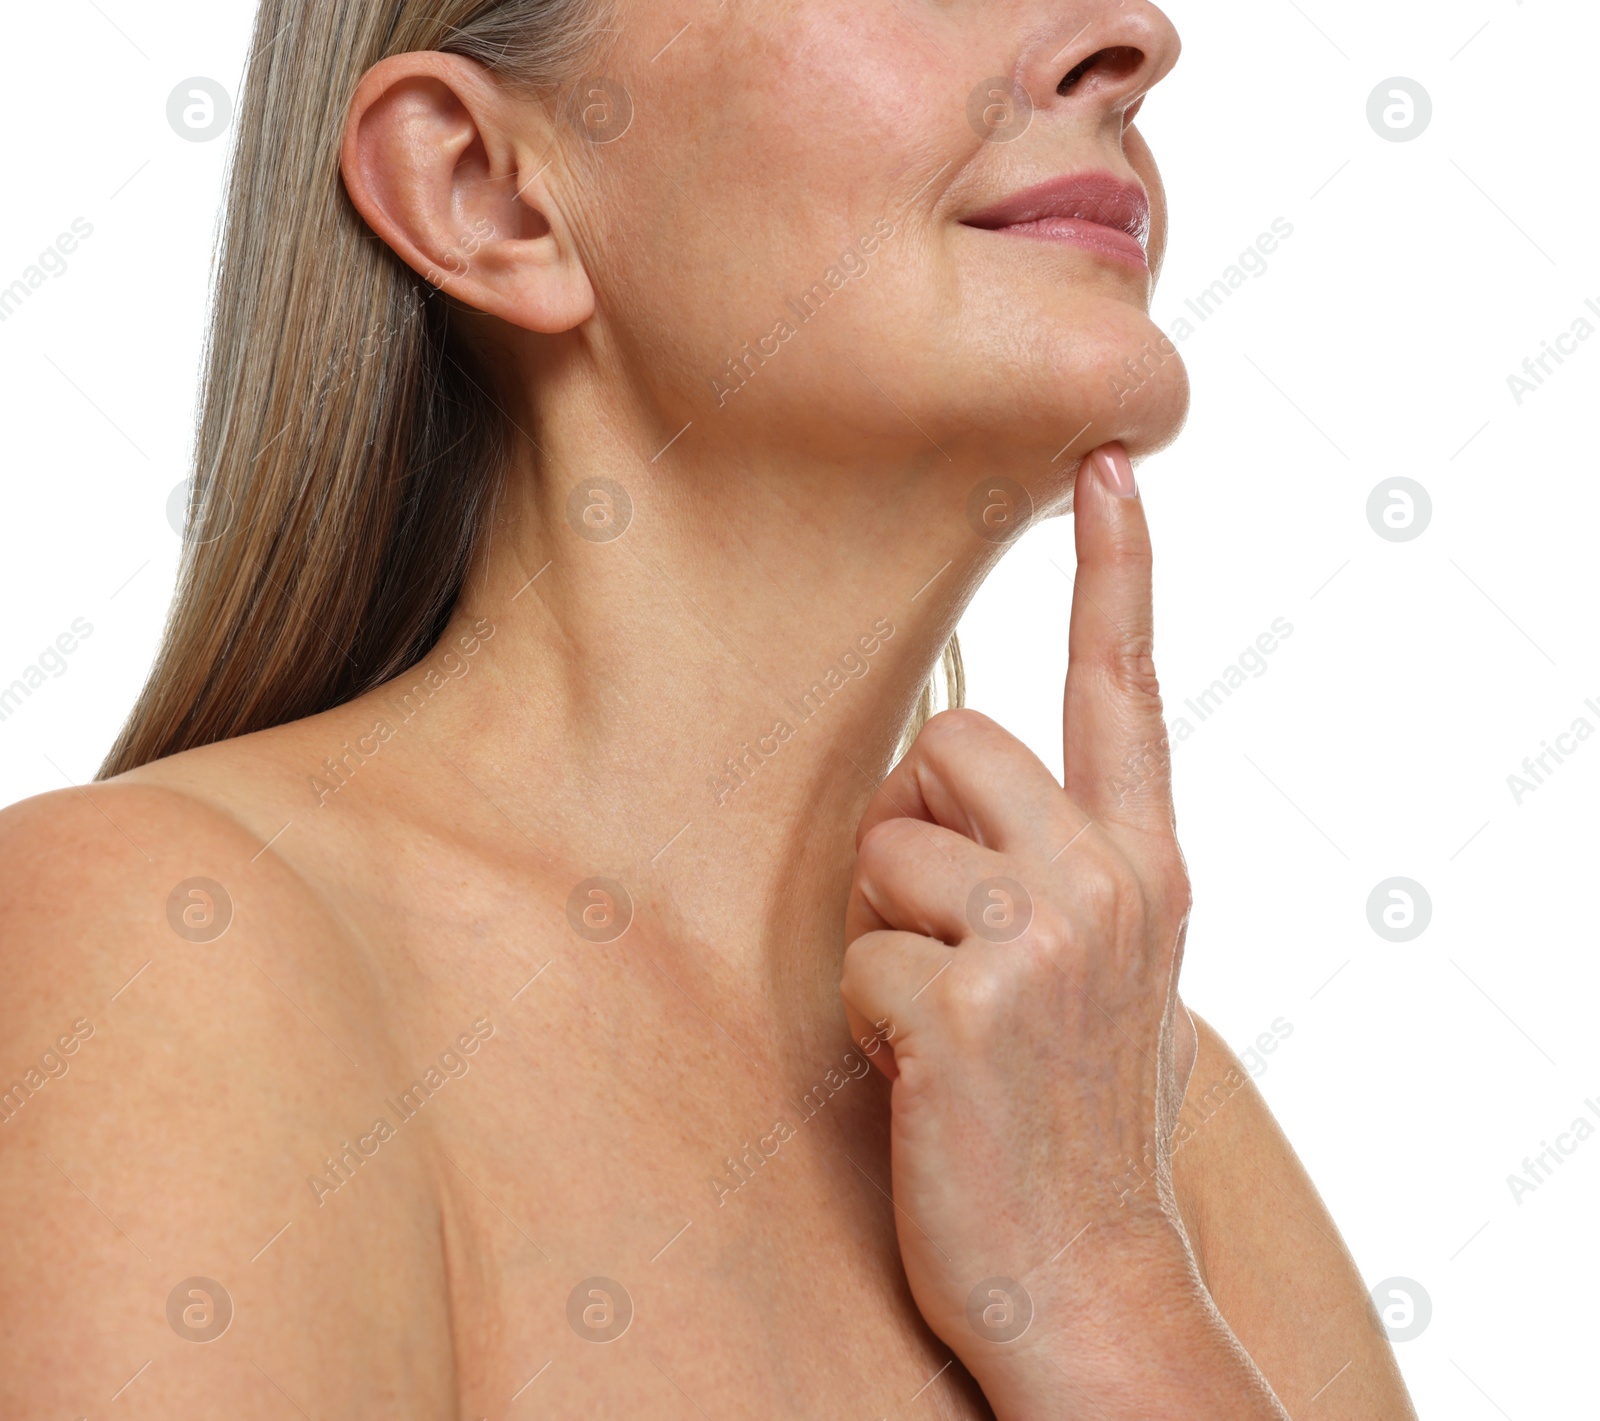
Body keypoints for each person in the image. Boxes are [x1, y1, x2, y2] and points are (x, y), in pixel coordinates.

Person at [0, 1, 1417, 1415]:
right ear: (484, 193)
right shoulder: (161, 943)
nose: (1133, 39)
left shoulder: (1129, 1117)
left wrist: (1106, 1288)